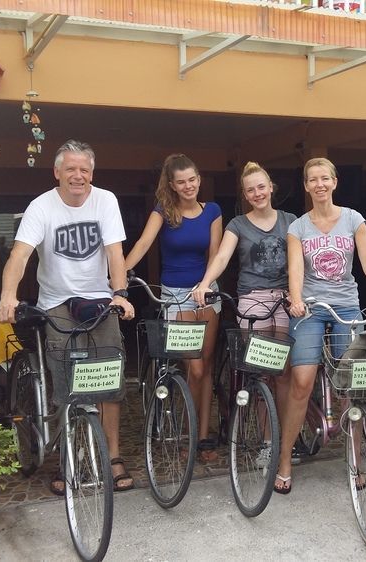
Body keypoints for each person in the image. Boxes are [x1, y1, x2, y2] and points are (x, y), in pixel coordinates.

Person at [0, 139, 137, 494]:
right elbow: (20, 254)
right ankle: (66, 456)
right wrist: (8, 296)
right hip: (57, 300)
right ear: (57, 172)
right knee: (65, 381)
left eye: (84, 170)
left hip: (98, 298)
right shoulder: (41, 207)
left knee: (108, 375)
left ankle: (114, 455)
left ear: (92, 173)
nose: (78, 176)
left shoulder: (105, 200)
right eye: (70, 169)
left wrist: (119, 293)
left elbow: (115, 252)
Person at [277, 157, 366, 494]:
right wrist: (297, 298)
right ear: (306, 186)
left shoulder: (353, 219)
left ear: (334, 181)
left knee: (352, 387)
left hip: (346, 304)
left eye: (324, 178)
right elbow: (295, 268)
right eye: (312, 179)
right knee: (302, 381)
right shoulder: (298, 227)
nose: (319, 185)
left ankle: (355, 459)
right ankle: (285, 458)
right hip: (312, 308)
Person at [192, 162, 296, 463]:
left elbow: (302, 258)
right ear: (245, 194)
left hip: (286, 298)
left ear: (271, 188)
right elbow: (223, 255)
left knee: (285, 374)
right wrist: (205, 283)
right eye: (250, 190)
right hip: (253, 298)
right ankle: (267, 441)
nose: (257, 193)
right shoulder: (237, 224)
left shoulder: (291, 221)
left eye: (261, 187)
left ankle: (286, 443)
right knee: (264, 372)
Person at [125, 153, 222, 462]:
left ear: (199, 179)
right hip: (175, 293)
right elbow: (142, 244)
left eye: (192, 179)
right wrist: (118, 277)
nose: (188, 186)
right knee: (191, 366)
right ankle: (190, 431)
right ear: (172, 185)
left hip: (206, 291)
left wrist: (205, 285)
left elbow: (215, 254)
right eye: (181, 182)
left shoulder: (213, 211)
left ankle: (203, 436)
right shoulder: (163, 212)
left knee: (205, 366)